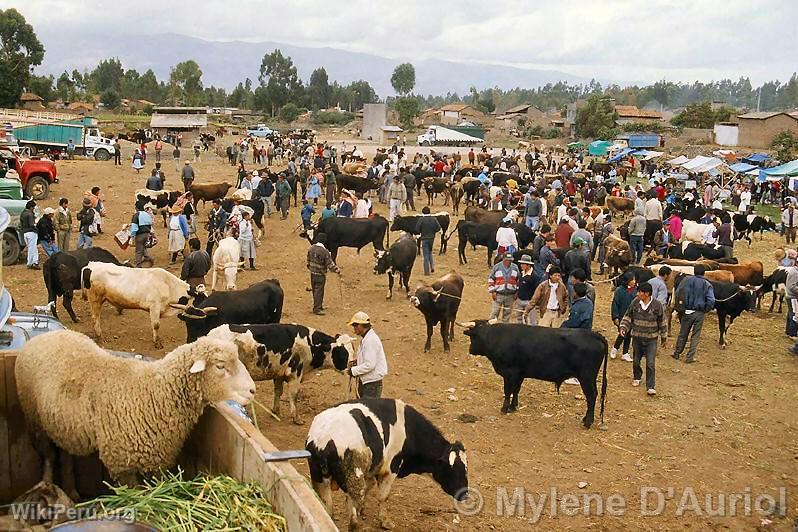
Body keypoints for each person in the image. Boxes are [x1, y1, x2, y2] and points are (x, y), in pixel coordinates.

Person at [619, 282, 667, 396]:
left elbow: (662, 321)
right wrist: (623, 327)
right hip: (637, 337)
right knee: (636, 360)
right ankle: (637, 376)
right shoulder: (635, 303)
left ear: (647, 293)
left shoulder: (657, 305)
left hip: (651, 339)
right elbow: (628, 316)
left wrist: (664, 338)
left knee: (650, 362)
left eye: (640, 292)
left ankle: (650, 386)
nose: (638, 293)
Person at [672, 265, 716, 363]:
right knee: (695, 335)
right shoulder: (706, 284)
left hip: (687, 311)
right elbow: (711, 300)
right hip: (699, 312)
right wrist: (706, 309)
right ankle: (690, 357)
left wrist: (680, 307)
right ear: (704, 273)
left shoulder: (686, 280)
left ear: (694, 271)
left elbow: (679, 292)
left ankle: (677, 353)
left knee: (683, 333)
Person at [346, 311, 388, 398]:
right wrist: (357, 362)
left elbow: (370, 364)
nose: (354, 328)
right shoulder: (367, 338)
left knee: (368, 409)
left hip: (371, 384)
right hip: (368, 382)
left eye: (355, 325)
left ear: (362, 325)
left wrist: (353, 371)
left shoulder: (370, 341)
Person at [307, 233, 341, 315]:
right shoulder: (324, 251)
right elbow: (330, 264)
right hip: (320, 274)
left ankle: (318, 305)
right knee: (319, 291)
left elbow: (308, 260)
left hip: (312, 273)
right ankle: (317, 308)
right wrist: (337, 270)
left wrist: (310, 268)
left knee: (315, 290)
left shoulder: (311, 248)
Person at [611, 274, 637, 361]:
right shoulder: (619, 290)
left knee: (629, 335)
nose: (634, 281)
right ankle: (615, 349)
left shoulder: (636, 291)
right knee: (622, 334)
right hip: (622, 316)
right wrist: (615, 317)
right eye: (632, 280)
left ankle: (625, 353)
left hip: (632, 317)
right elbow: (615, 304)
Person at [488, 252, 520, 322]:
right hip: (498, 294)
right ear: (503, 259)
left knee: (507, 314)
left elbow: (518, 280)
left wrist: (517, 291)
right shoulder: (496, 267)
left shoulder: (515, 267)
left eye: (510, 260)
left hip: (510, 295)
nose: (508, 262)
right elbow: (491, 279)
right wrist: (493, 291)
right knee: (494, 312)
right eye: (507, 260)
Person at [416, 206, 441, 275]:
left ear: (423, 212)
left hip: (424, 238)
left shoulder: (421, 219)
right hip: (432, 238)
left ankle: (426, 271)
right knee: (430, 252)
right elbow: (438, 228)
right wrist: (433, 232)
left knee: (425, 255)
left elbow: (417, 229)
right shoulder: (434, 219)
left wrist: (421, 232)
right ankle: (432, 266)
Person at [516, 254, 540, 325]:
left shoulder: (534, 276)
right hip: (520, 300)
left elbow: (537, 289)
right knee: (519, 319)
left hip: (529, 301)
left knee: (531, 320)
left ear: (528, 265)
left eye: (523, 264)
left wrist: (534, 301)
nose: (521, 266)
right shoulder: (522, 273)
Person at [130, 202, 154, 267]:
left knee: (138, 250)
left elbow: (134, 228)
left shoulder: (136, 215)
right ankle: (147, 258)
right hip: (147, 234)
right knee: (144, 247)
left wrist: (132, 235)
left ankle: (138, 265)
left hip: (140, 235)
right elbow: (151, 224)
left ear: (136, 208)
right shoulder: (147, 214)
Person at [20, 201, 39, 269]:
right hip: (31, 233)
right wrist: (36, 228)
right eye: (33, 208)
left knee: (31, 248)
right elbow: (31, 225)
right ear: (31, 207)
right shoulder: (30, 214)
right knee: (33, 248)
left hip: (25, 233)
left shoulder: (23, 213)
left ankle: (32, 262)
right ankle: (32, 263)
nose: (33, 209)